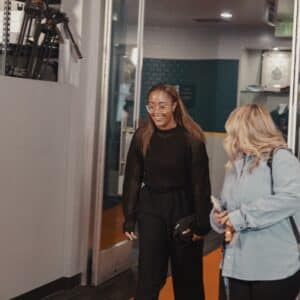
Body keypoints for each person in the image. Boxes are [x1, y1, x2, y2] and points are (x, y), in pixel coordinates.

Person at [122, 83, 212, 300]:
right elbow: (133, 178)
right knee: (148, 277)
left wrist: (201, 223)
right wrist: (129, 216)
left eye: (162, 105)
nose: (156, 111)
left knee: (187, 278)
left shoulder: (192, 139)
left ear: (174, 106)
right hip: (152, 209)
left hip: (184, 211)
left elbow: (201, 184)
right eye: (151, 105)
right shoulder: (142, 136)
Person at [210, 104, 300, 300]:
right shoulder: (236, 163)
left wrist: (240, 217)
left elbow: (291, 199)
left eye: (235, 134)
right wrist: (219, 217)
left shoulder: (281, 158)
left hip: (273, 268)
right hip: (235, 266)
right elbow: (227, 203)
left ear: (252, 132)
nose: (231, 140)